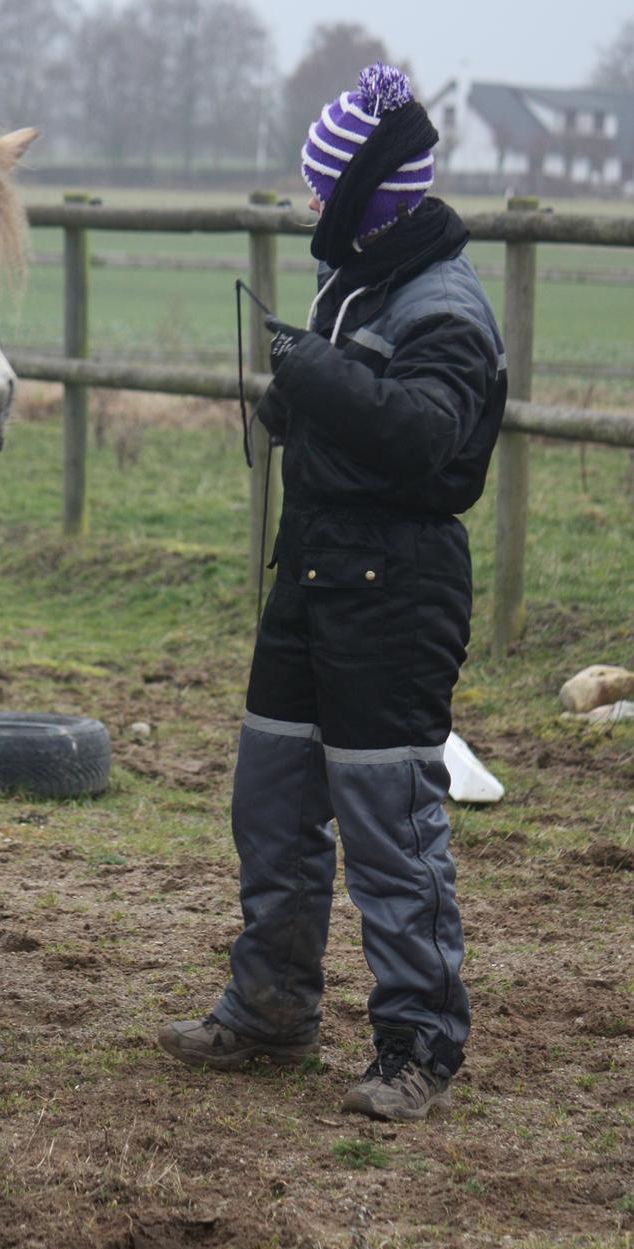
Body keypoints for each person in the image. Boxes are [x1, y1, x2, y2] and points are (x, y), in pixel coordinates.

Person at [158, 64, 507, 1123]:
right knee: (269, 806)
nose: (313, 202)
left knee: (390, 829)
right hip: (311, 575)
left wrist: (312, 376)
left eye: (324, 186)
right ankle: (270, 1008)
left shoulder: (443, 306)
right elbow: (358, 405)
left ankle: (417, 1045)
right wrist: (298, 403)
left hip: (395, 592)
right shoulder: (357, 279)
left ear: (366, 194)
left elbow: (425, 437)